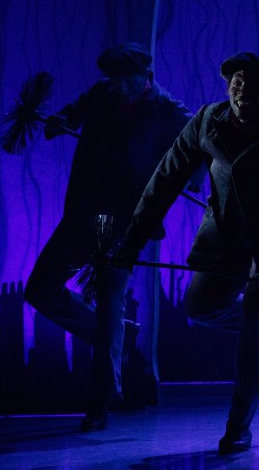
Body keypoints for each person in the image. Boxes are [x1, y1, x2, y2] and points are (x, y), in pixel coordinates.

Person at [119, 52, 259, 454]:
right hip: (223, 240)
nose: (242, 90)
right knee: (200, 308)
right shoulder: (208, 121)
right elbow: (167, 177)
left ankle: (238, 427)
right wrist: (134, 238)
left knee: (255, 327)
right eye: (237, 82)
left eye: (253, 84)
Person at [24, 43, 191, 431]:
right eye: (114, 80)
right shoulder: (102, 93)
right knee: (40, 289)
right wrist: (60, 120)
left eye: (127, 80)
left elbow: (198, 145)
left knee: (109, 300)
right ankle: (119, 334)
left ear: (146, 75)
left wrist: (193, 175)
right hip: (85, 212)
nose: (120, 87)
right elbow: (75, 111)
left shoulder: (168, 111)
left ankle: (100, 401)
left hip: (124, 221)